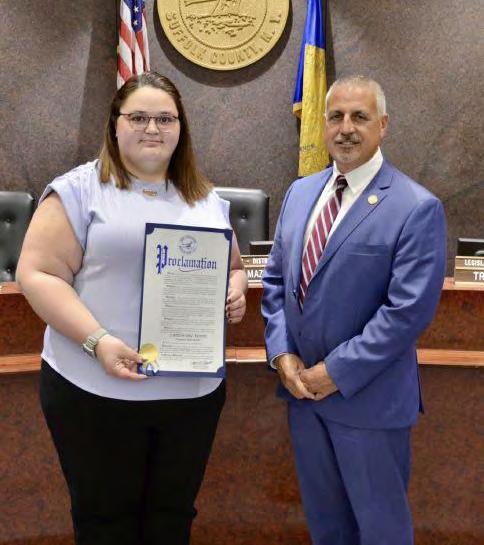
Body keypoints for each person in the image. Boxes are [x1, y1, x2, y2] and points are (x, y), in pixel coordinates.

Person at [16, 71, 247, 545]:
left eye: (165, 118)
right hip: (94, 392)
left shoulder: (205, 198)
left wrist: (235, 290)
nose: (152, 128)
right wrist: (98, 342)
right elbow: (37, 274)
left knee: (172, 521)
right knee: (106, 524)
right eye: (138, 117)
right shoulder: (79, 190)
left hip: (190, 397)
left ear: (181, 128)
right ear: (115, 124)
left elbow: (234, 267)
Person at [261, 75, 446, 545]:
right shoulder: (300, 193)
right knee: (327, 529)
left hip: (369, 403)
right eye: (336, 117)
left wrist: (335, 372)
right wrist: (281, 354)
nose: (346, 128)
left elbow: (406, 313)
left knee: (381, 531)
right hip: (304, 398)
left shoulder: (416, 207)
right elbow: (277, 283)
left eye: (359, 117)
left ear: (383, 125)